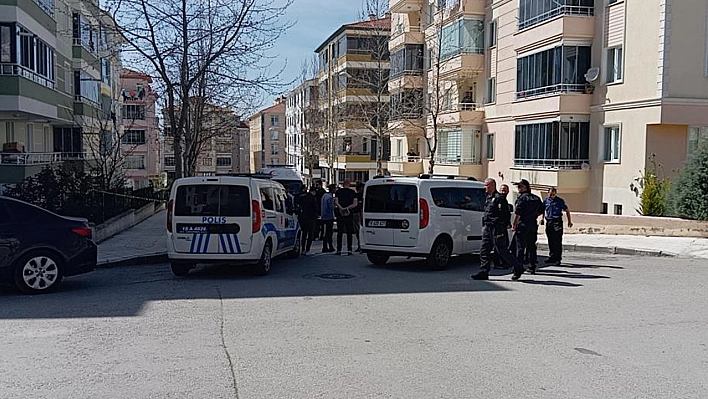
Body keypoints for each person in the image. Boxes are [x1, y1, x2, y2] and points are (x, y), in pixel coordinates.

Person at [472, 178, 525, 281]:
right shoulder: (488, 198)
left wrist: (503, 226)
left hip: (497, 228)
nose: (484, 187)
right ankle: (484, 271)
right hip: (488, 228)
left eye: (486, 185)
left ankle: (518, 267)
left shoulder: (499, 198)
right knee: (484, 250)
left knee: (502, 251)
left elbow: (505, 215)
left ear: (492, 186)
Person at [512, 179, 544, 274]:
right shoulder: (536, 198)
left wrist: (514, 224)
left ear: (525, 187)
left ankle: (519, 266)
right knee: (531, 246)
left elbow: (518, 213)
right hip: (532, 224)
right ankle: (532, 266)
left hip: (523, 224)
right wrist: (533, 215)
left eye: (520, 187)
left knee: (520, 247)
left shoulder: (522, 198)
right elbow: (541, 210)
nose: (518, 189)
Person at [543, 187, 573, 266]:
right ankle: (552, 257)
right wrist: (542, 219)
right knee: (551, 240)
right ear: (548, 193)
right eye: (550, 193)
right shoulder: (546, 201)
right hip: (549, 222)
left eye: (553, 193)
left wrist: (569, 221)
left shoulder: (560, 201)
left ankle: (557, 259)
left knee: (557, 241)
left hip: (557, 222)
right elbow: (543, 210)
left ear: (555, 193)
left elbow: (567, 210)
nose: (552, 195)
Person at [334, 179, 358, 256]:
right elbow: (355, 204)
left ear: (343, 184)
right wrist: (347, 208)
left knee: (340, 232)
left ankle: (339, 249)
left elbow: (336, 202)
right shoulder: (353, 192)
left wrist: (341, 208)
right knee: (349, 232)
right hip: (349, 214)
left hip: (340, 214)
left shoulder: (338, 192)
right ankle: (349, 249)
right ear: (349, 184)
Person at [494, 184, 513, 269]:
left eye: (505, 190)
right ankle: (498, 262)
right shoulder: (499, 200)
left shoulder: (504, 200)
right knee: (500, 245)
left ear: (508, 191)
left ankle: (502, 262)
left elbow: (506, 213)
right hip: (499, 226)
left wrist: (508, 223)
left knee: (504, 244)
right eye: (502, 190)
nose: (503, 192)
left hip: (503, 225)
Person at [297, 186, 319, 256]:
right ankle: (307, 249)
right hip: (311, 218)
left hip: (303, 218)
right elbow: (315, 208)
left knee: (304, 234)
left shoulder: (303, 197)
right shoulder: (313, 198)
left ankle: (303, 249)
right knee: (310, 234)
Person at [320, 184, 337, 253]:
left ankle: (327, 246)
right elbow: (331, 207)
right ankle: (327, 246)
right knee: (329, 232)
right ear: (332, 189)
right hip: (329, 216)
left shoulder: (324, 196)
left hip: (323, 216)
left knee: (326, 232)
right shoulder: (330, 197)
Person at [352, 182, 364, 252]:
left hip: (356, 213)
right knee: (359, 230)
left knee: (358, 230)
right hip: (360, 213)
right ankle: (360, 245)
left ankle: (360, 245)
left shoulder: (356, 195)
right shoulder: (364, 195)